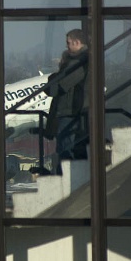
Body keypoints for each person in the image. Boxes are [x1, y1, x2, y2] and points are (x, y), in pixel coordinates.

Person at [43, 28, 90, 174]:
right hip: (72, 110)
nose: (67, 46)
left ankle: (66, 176)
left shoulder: (78, 62)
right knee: (66, 146)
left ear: (77, 42)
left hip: (70, 111)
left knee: (65, 148)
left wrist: (54, 78)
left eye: (68, 43)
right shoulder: (81, 60)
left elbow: (59, 86)